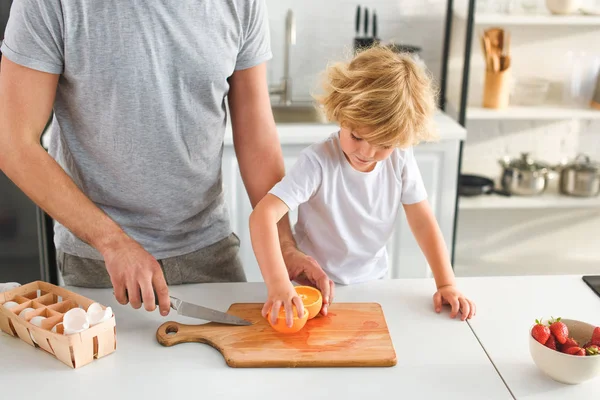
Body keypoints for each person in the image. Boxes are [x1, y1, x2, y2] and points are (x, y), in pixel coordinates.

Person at [0, 0, 334, 316]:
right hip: (101, 263)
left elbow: (257, 142)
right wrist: (112, 242)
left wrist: (284, 245)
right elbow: (13, 144)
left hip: (208, 250)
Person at [249, 45, 476, 328]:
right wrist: (279, 283)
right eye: (356, 136)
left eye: (384, 144)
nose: (367, 153)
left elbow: (423, 221)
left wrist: (446, 283)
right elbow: (263, 216)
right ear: (340, 113)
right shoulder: (318, 162)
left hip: (373, 283)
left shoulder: (401, 159)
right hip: (310, 286)